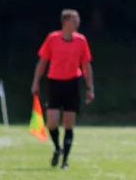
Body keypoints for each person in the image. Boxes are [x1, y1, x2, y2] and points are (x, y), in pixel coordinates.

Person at [31, 9, 95, 169]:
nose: (78, 23)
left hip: (72, 83)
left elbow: (86, 66)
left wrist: (89, 87)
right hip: (55, 83)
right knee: (51, 122)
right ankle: (57, 148)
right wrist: (36, 82)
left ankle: (65, 161)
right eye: (75, 20)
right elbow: (43, 62)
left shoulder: (81, 41)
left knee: (68, 123)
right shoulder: (52, 39)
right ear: (66, 22)